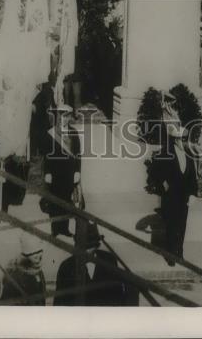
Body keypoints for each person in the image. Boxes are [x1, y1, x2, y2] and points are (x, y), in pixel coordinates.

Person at [53, 220, 138, 306]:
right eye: (84, 248)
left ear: (96, 245)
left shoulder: (109, 259)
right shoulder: (66, 266)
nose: (87, 252)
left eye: (90, 247)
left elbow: (117, 293)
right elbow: (59, 301)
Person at [153, 123, 197, 265]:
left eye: (185, 139)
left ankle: (179, 252)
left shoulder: (188, 154)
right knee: (171, 225)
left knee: (182, 224)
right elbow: (155, 170)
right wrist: (163, 183)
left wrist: (193, 194)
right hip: (171, 196)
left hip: (184, 197)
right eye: (182, 139)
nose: (184, 141)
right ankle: (171, 255)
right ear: (175, 139)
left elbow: (192, 176)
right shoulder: (166, 152)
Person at [42, 104, 81, 238]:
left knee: (66, 201)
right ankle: (55, 229)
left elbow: (78, 154)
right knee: (54, 202)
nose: (63, 119)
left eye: (66, 116)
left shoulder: (74, 133)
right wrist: (47, 173)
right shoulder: (51, 133)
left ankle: (64, 229)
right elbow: (46, 156)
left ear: (70, 117)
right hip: (55, 173)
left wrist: (77, 172)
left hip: (69, 173)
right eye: (61, 116)